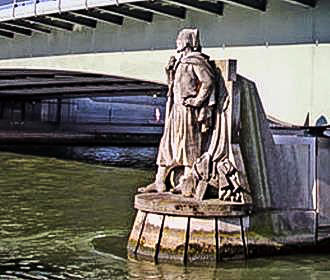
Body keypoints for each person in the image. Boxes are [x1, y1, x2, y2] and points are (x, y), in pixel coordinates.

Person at [139, 28, 217, 194]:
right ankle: (159, 181)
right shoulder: (181, 61)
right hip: (176, 109)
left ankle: (187, 181)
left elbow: (208, 82)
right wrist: (170, 72)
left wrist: (197, 101)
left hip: (188, 110)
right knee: (167, 145)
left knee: (188, 145)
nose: (177, 42)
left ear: (186, 42)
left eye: (179, 39)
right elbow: (174, 86)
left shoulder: (196, 61)